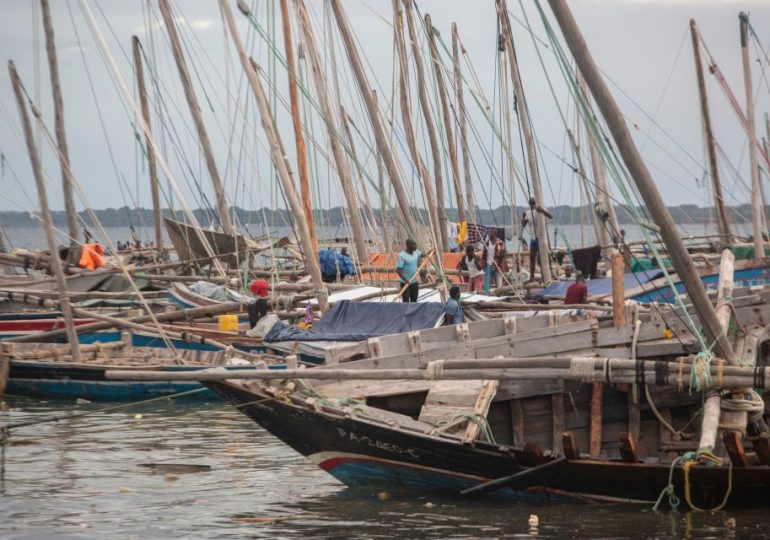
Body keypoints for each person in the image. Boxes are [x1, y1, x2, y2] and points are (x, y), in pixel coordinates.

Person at [521, 197, 553, 282]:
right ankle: (532, 277)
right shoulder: (528, 213)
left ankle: (547, 275)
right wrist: (523, 217)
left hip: (541, 238)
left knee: (543, 258)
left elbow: (551, 216)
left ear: (535, 203)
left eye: (533, 203)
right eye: (531, 203)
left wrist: (542, 210)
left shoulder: (540, 209)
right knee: (532, 257)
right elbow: (523, 225)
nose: (532, 205)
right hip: (533, 238)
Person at [396, 238, 423, 302]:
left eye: (415, 244)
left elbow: (422, 255)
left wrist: (419, 262)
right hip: (405, 282)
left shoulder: (416, 252)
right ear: (408, 245)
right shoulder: (402, 255)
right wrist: (406, 279)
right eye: (413, 244)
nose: (415, 245)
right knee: (406, 301)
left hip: (414, 281)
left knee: (414, 300)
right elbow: (399, 270)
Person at [483, 228, 508, 294]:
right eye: (489, 232)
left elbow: (503, 255)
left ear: (495, 232)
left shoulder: (500, 243)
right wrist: (484, 266)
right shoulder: (486, 243)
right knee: (487, 284)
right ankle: (486, 296)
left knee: (499, 283)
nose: (489, 233)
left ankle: (499, 296)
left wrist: (501, 267)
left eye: (491, 231)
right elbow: (484, 255)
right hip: (488, 265)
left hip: (498, 266)